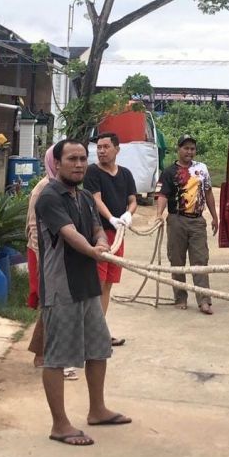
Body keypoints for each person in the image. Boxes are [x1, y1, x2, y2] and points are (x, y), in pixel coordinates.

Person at [35, 139, 131, 446]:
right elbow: (69, 234)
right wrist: (94, 251)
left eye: (82, 159)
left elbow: (95, 227)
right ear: (58, 163)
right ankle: (59, 424)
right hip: (62, 287)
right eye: (72, 159)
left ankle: (97, 409)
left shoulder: (85, 196)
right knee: (57, 357)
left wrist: (101, 241)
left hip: (88, 284)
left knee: (98, 348)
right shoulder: (49, 196)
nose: (79, 164)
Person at [25, 144, 78, 379]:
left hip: (60, 255)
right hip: (43, 254)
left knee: (53, 305)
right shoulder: (45, 189)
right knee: (52, 304)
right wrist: (44, 258)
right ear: (54, 161)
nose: (74, 164)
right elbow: (34, 228)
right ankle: (52, 357)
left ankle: (42, 354)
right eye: (68, 159)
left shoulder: (65, 188)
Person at [84, 132, 138, 346]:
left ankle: (99, 330)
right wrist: (111, 218)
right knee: (97, 282)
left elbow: (133, 200)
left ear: (117, 149)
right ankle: (91, 332)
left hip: (118, 235)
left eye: (106, 146)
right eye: (99, 147)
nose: (101, 150)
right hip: (100, 234)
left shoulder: (125, 174)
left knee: (108, 284)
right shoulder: (92, 172)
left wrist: (128, 214)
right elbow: (96, 199)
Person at [155, 134, 218, 315]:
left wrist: (215, 216)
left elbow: (208, 193)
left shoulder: (202, 169)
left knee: (200, 260)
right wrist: (159, 214)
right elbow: (162, 195)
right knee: (177, 260)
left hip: (197, 220)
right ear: (179, 149)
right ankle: (180, 297)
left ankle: (204, 300)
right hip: (176, 220)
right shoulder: (168, 172)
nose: (189, 151)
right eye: (186, 148)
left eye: (192, 148)